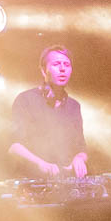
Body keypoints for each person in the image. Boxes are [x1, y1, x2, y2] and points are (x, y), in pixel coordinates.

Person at [8, 47, 87, 179]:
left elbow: (81, 148)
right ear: (43, 70)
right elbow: (14, 147)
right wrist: (41, 164)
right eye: (56, 64)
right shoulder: (25, 100)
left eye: (66, 65)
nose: (62, 69)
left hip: (65, 183)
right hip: (32, 183)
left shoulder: (74, 106)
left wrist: (79, 159)